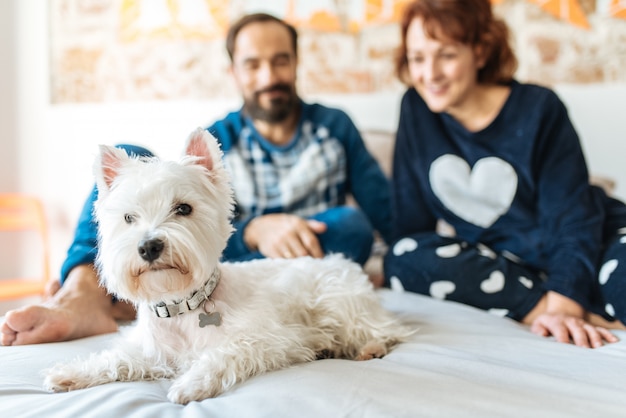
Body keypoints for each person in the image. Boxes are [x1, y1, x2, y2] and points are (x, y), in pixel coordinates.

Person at [1, 13, 391, 346]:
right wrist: (255, 228)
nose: (269, 75)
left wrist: (398, 258)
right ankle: (83, 292)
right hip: (229, 258)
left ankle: (138, 292)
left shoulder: (336, 126)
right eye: (253, 64)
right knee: (126, 153)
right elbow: (190, 219)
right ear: (234, 72)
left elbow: (384, 210)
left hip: (309, 257)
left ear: (296, 63)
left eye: (280, 61)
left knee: (351, 227)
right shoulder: (214, 138)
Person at [383, 0, 626, 348]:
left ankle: (578, 300)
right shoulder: (415, 108)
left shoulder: (539, 108)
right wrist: (551, 309)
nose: (430, 73)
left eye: (446, 55)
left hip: (591, 240)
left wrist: (567, 301)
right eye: (417, 58)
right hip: (513, 266)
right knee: (404, 255)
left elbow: (574, 215)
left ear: (480, 52)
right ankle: (583, 312)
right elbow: (411, 226)